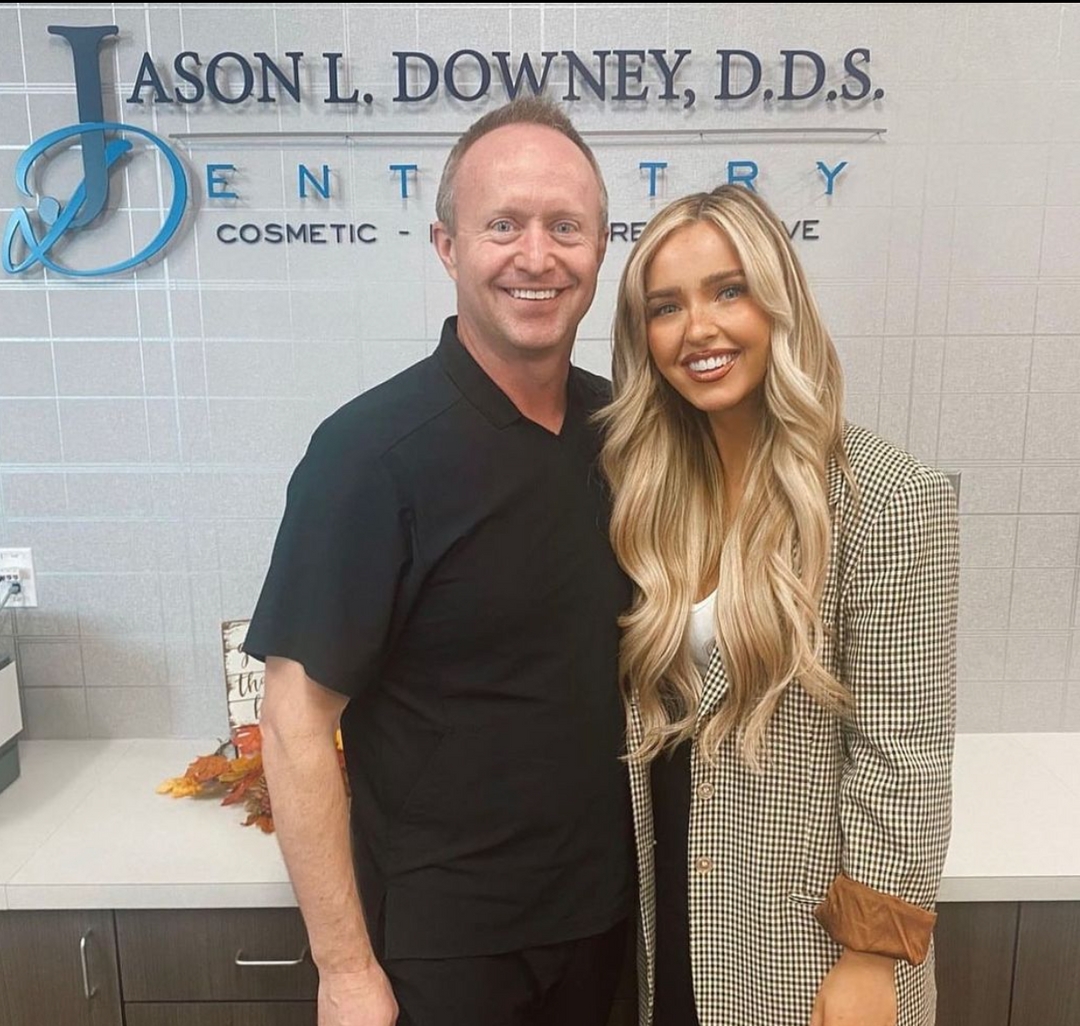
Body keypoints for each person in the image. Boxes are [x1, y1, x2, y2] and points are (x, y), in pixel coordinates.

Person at [243, 97, 634, 1026]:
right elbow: (295, 722)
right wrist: (344, 971)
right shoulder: (370, 455)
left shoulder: (625, 432)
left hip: (613, 928)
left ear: (602, 246)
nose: (536, 256)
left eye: (565, 227)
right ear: (447, 246)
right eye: (503, 224)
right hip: (443, 952)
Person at [599, 185, 959, 1026]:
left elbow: (904, 753)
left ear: (780, 302)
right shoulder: (647, 493)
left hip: (809, 935)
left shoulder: (887, 496)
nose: (700, 330)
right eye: (666, 307)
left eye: (729, 290)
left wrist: (869, 954)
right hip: (676, 908)